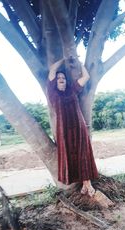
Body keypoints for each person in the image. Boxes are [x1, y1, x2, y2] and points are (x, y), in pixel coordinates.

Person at [47, 58, 98, 196]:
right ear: (55, 82)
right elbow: (52, 69)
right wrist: (63, 59)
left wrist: (79, 63)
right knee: (70, 157)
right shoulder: (53, 93)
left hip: (78, 128)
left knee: (83, 154)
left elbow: (86, 77)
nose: (61, 79)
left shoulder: (72, 90)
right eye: (59, 78)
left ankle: (87, 183)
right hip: (63, 131)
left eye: (63, 77)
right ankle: (83, 183)